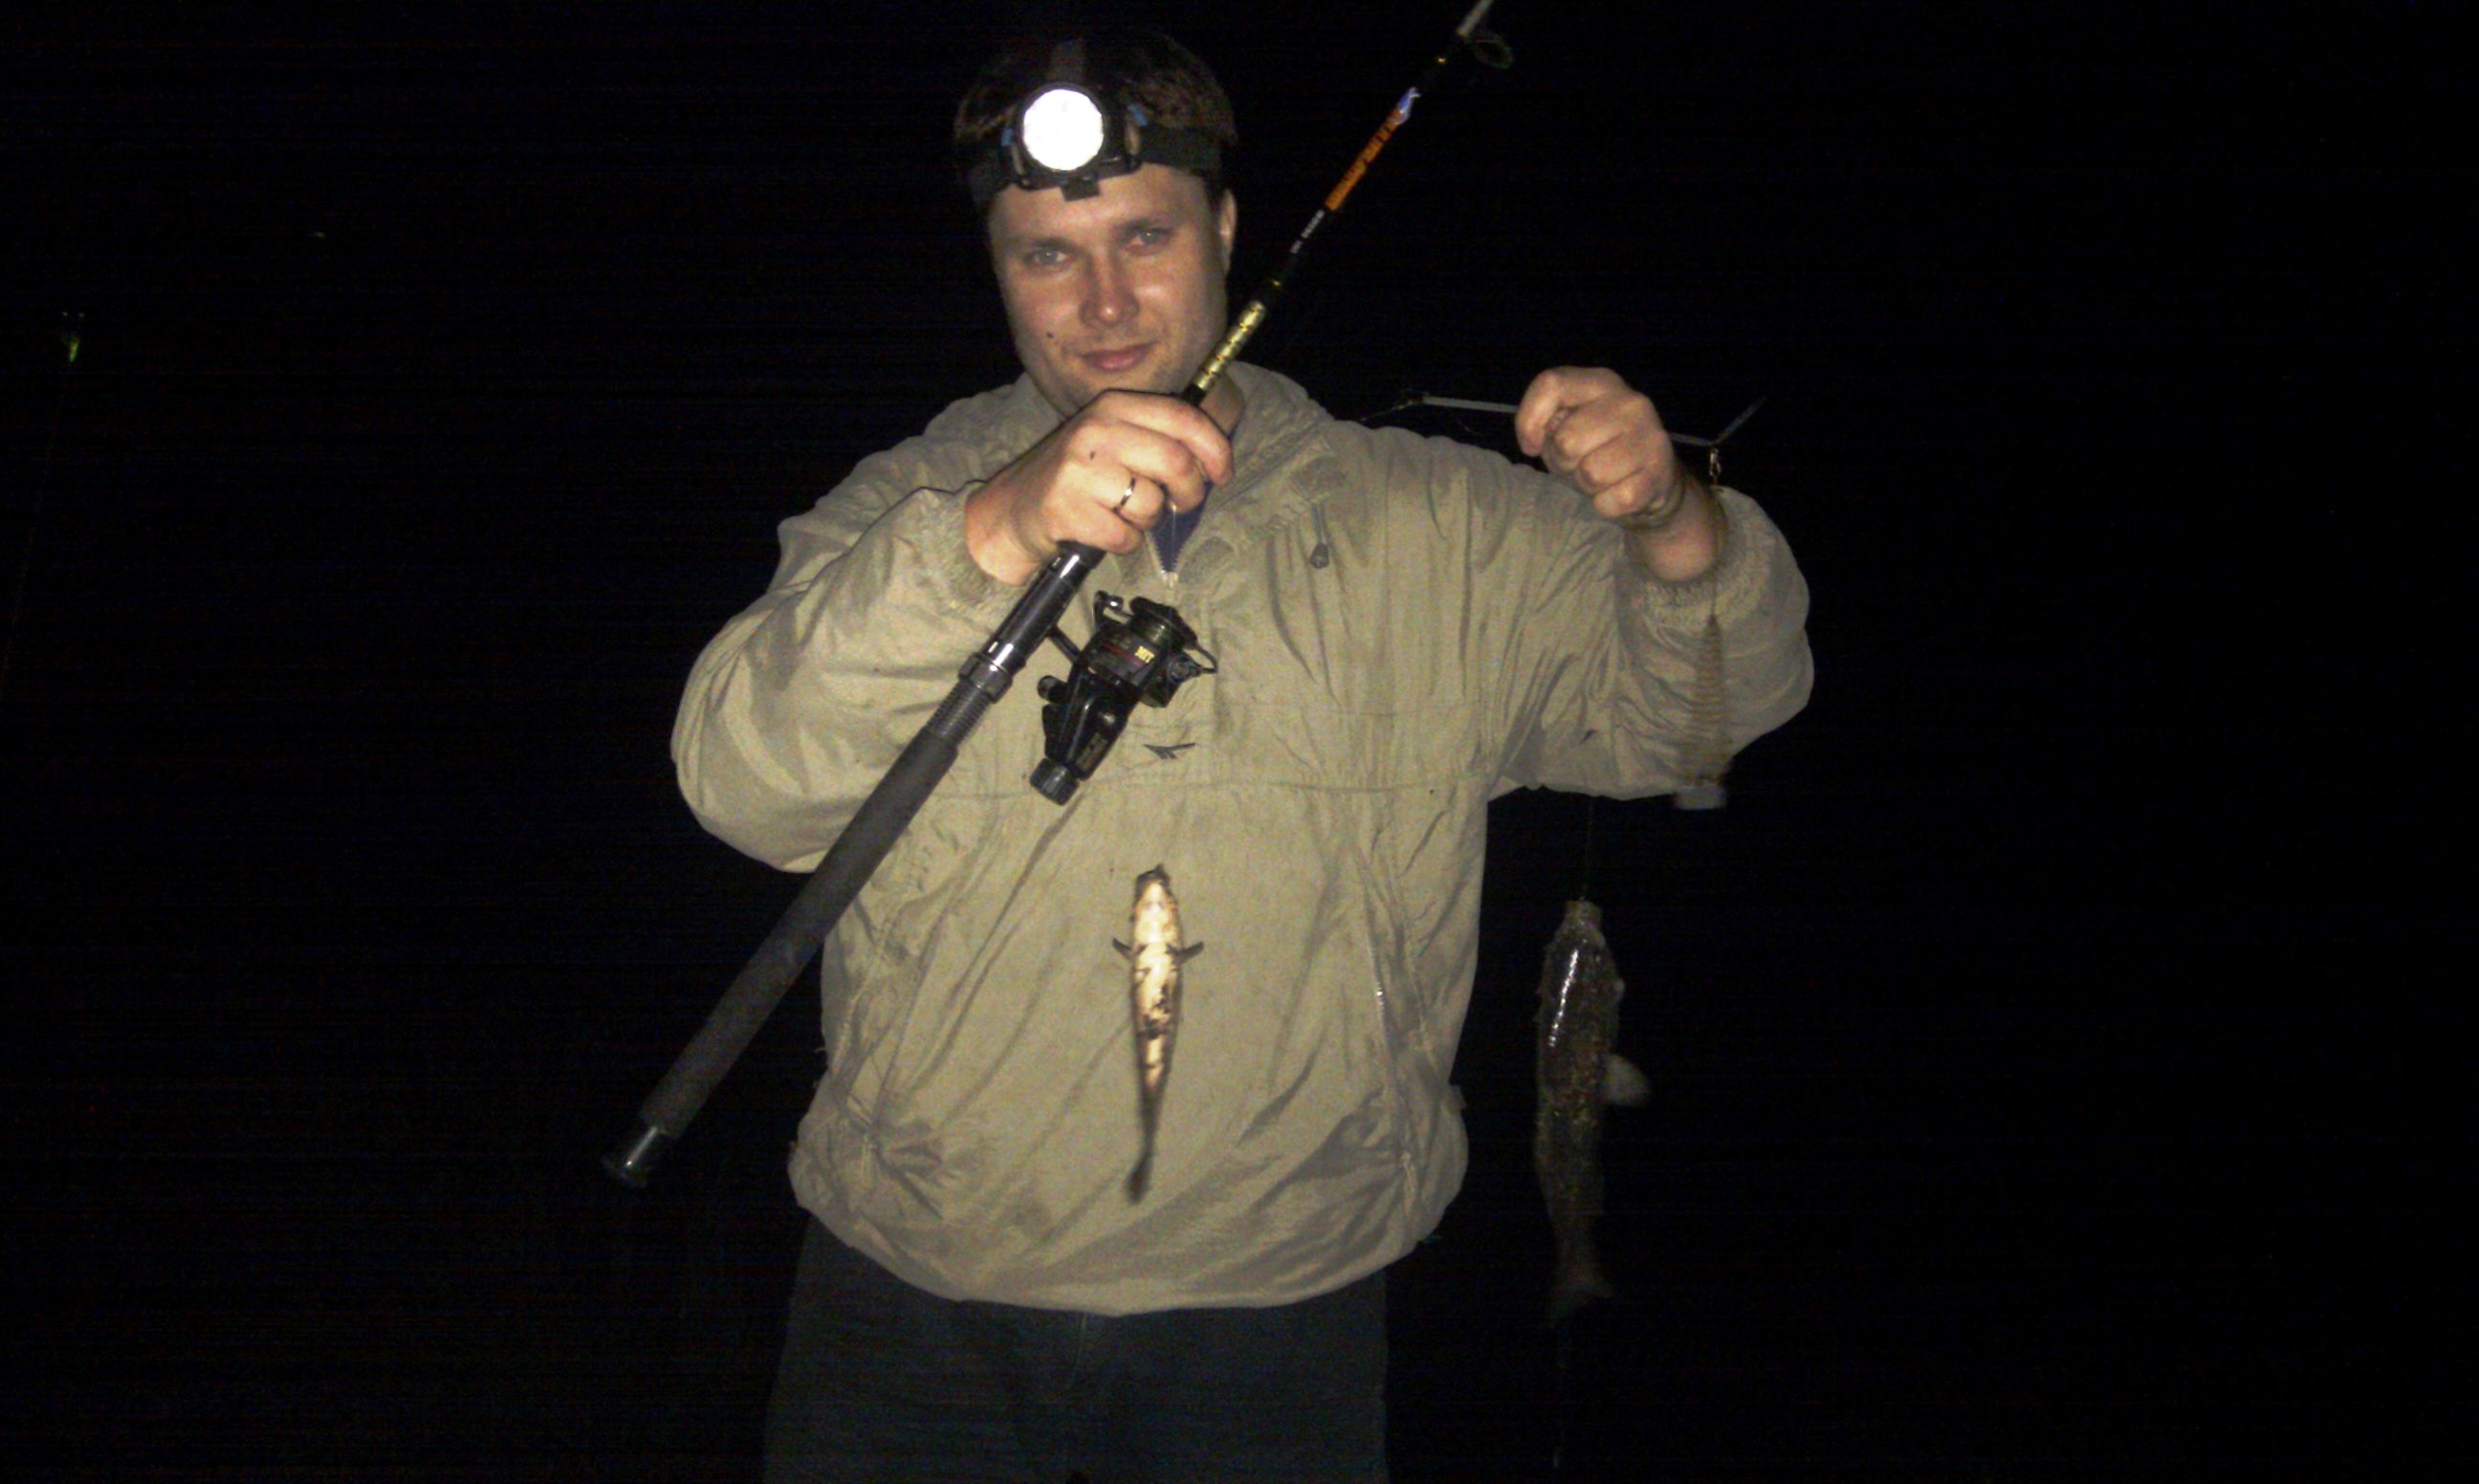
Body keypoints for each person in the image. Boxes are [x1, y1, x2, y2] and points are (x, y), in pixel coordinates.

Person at [672, 28, 1812, 1484]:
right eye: (1046, 254)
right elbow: (742, 783)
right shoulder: (907, 506)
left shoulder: (1439, 525)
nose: (1101, 303)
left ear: (1224, 229)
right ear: (996, 269)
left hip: (1281, 1313)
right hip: (913, 1298)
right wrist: (992, 531)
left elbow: (1705, 715)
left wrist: (1673, 525)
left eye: (1144, 238)